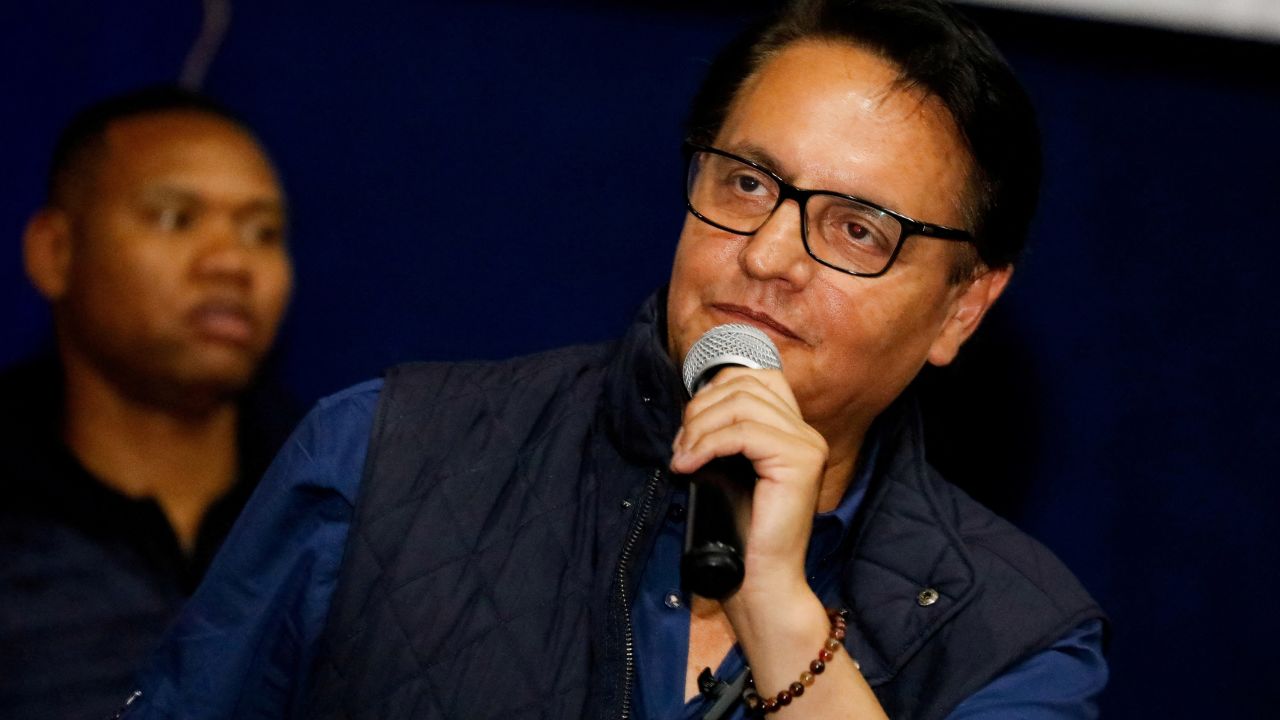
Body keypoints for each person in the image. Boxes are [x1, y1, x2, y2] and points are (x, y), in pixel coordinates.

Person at [125, 1, 1107, 718]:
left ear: (961, 307)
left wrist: (774, 604)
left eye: (855, 230)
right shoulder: (379, 457)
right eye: (746, 182)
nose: (764, 255)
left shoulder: (1011, 641)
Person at [0, 87, 296, 718]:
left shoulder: (345, 505)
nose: (230, 262)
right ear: (55, 252)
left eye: (262, 231)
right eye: (174, 217)